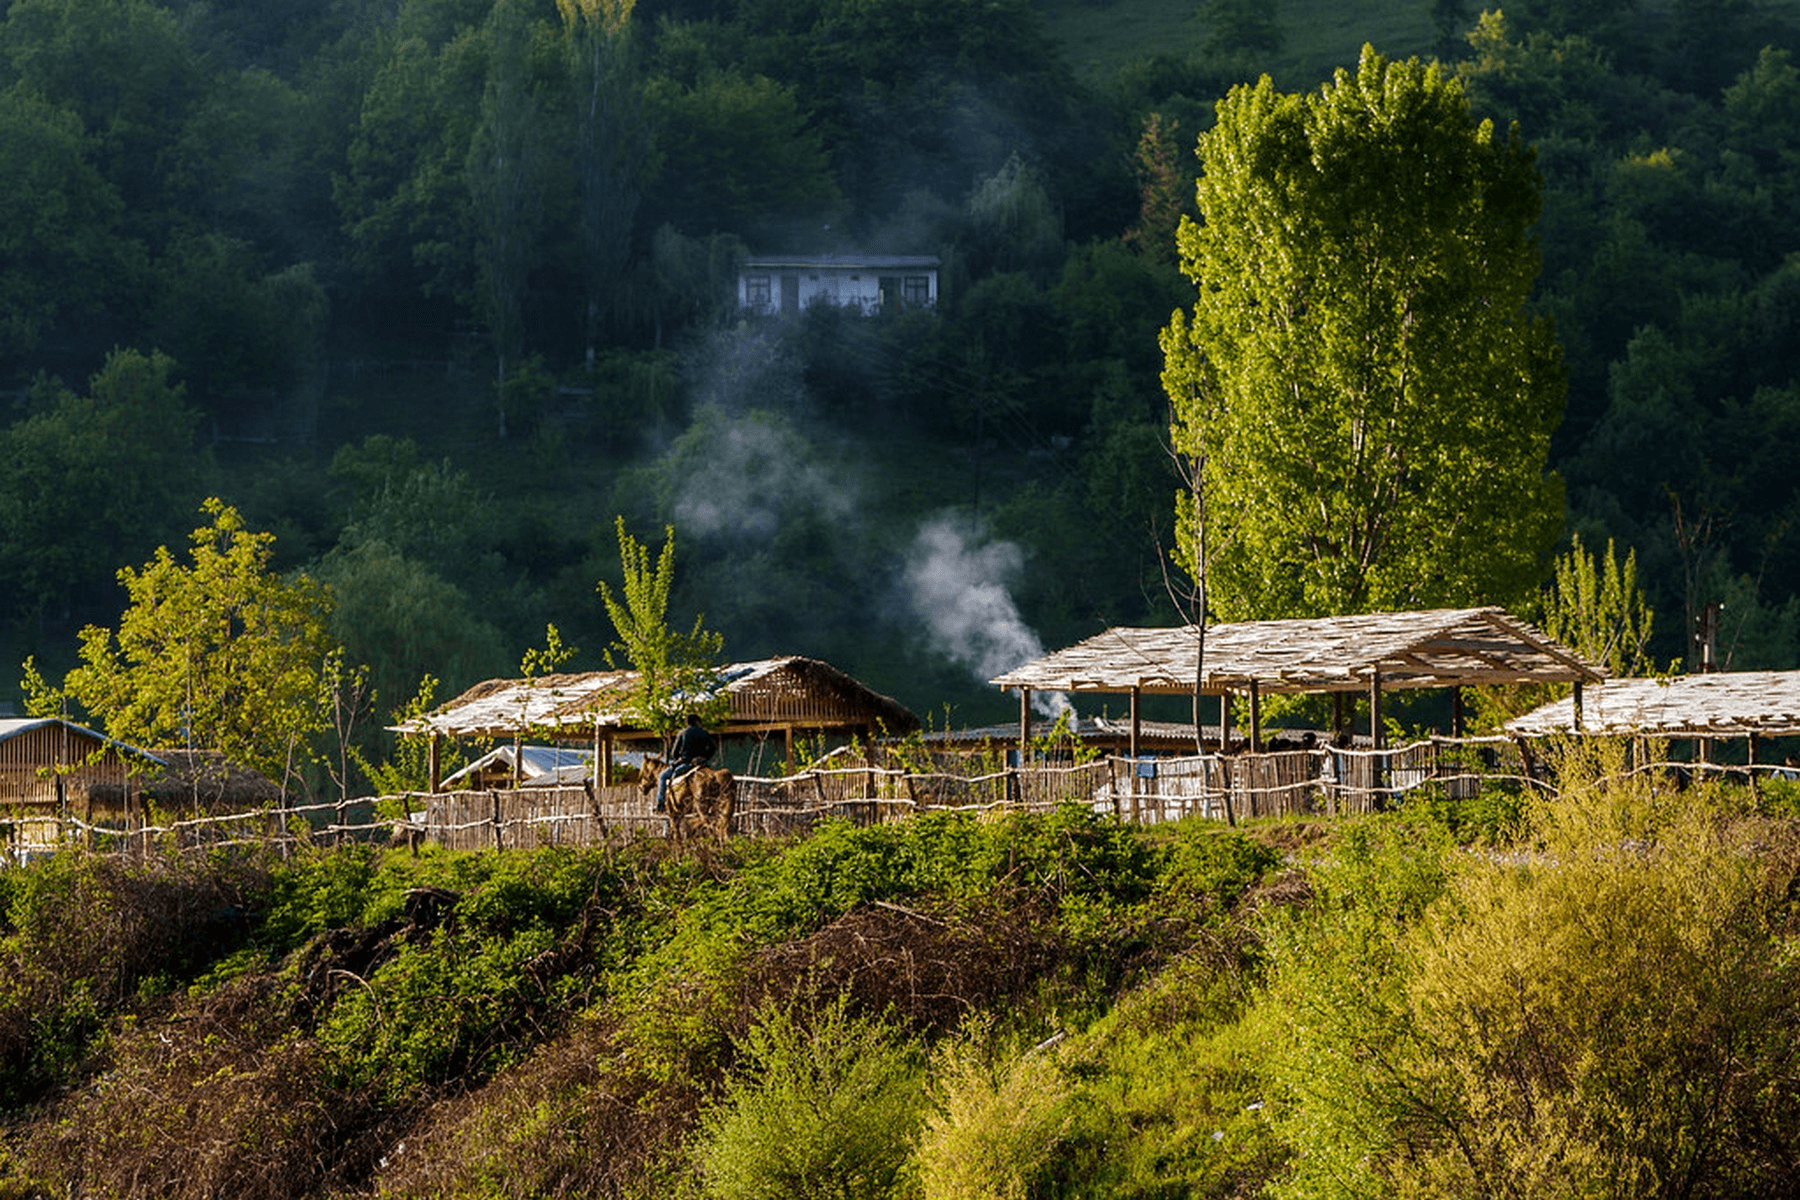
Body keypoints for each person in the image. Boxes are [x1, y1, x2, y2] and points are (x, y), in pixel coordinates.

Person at [655, 713, 718, 811]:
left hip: (686, 763)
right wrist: (704, 757)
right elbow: (713, 747)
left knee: (662, 776)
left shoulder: (682, 733)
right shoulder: (704, 732)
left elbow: (674, 752)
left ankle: (661, 803)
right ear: (697, 722)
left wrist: (677, 760)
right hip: (702, 763)